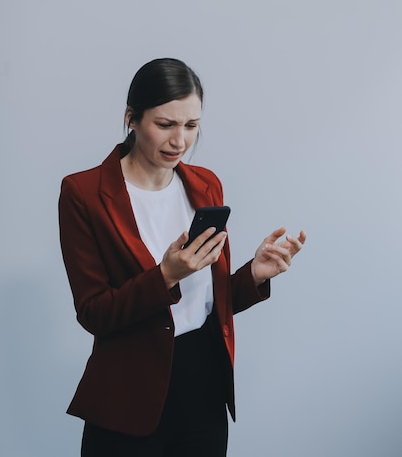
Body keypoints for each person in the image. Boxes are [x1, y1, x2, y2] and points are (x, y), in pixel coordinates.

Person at [59, 57, 306, 457]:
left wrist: (254, 275)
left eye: (191, 126)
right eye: (165, 124)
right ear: (131, 119)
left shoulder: (206, 185)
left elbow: (208, 304)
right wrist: (164, 277)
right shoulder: (83, 193)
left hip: (204, 386)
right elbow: (94, 314)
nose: (180, 141)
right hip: (128, 392)